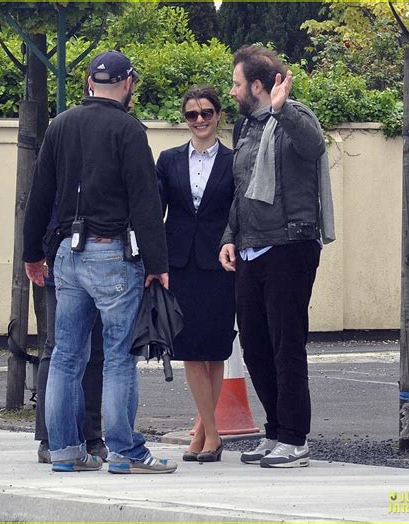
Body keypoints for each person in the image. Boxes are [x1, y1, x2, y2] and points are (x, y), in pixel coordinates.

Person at [23, 50, 177, 474]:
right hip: (112, 254)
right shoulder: (128, 130)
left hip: (66, 258)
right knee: (117, 358)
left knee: (66, 356)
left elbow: (39, 196)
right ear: (128, 84)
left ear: (89, 83)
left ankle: (65, 452)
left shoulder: (61, 125)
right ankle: (126, 452)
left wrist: (31, 254)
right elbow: (145, 201)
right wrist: (157, 263)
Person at [219, 45, 331, 468]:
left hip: (290, 247)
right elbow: (240, 190)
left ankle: (295, 439)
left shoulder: (295, 118)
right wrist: (230, 236)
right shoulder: (245, 129)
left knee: (287, 347)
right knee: (255, 347)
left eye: (236, 83)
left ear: (259, 86)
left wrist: (283, 110)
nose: (232, 91)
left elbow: (314, 145)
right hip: (250, 249)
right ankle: (274, 431)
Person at [156, 86, 235, 463]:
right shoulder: (168, 160)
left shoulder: (235, 162)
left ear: (218, 115)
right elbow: (156, 211)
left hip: (221, 263)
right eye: (192, 114)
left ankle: (205, 434)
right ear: (184, 118)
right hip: (180, 264)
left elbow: (238, 213)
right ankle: (212, 434)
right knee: (189, 350)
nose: (200, 120)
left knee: (215, 350)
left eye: (206, 112)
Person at [35, 74, 107, 465]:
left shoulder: (65, 131)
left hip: (65, 253)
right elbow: (42, 199)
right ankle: (61, 437)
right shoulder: (65, 136)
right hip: (63, 255)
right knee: (67, 349)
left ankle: (74, 437)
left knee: (73, 349)